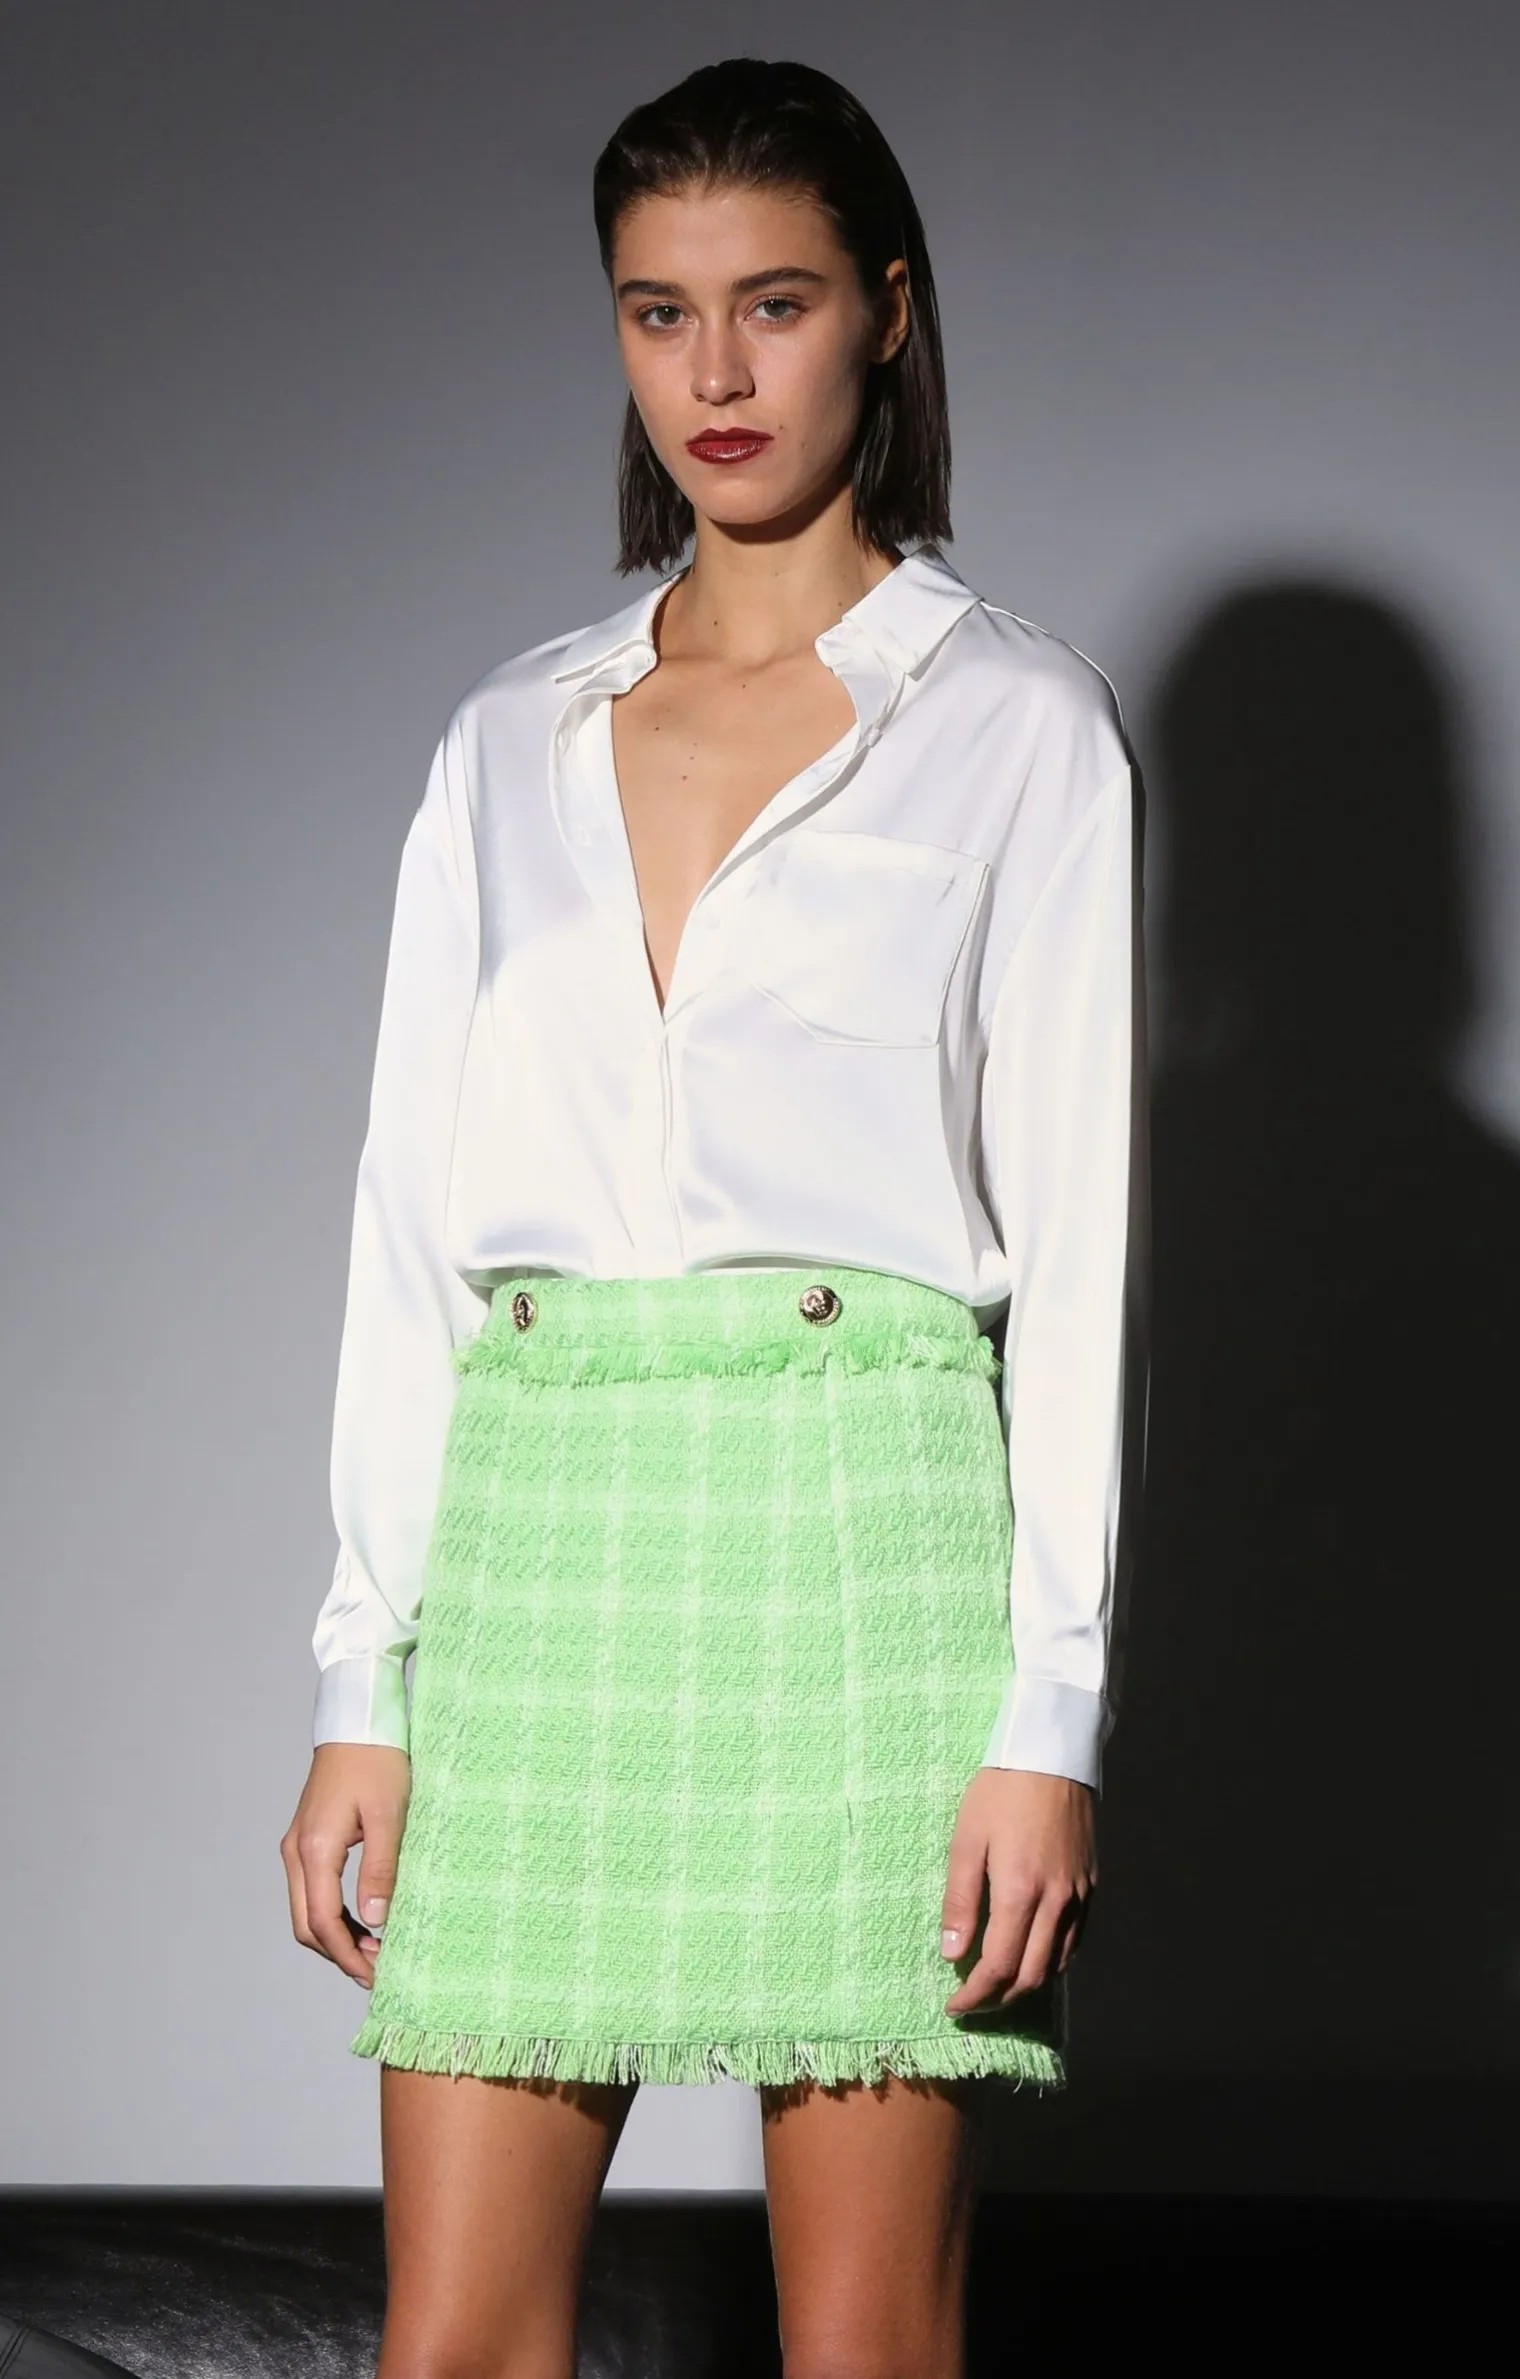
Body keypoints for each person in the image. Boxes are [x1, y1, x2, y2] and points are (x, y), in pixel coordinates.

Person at [281, 53, 1148, 2379]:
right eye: (658, 314)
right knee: (455, 2344)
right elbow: (409, 1232)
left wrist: (1046, 1714)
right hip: (542, 1541)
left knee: (864, 2344)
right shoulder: (506, 743)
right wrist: (367, 1681)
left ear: (887, 312)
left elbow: (1082, 1259)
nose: (716, 374)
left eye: (774, 303)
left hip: (867, 1547)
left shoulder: (1020, 728)